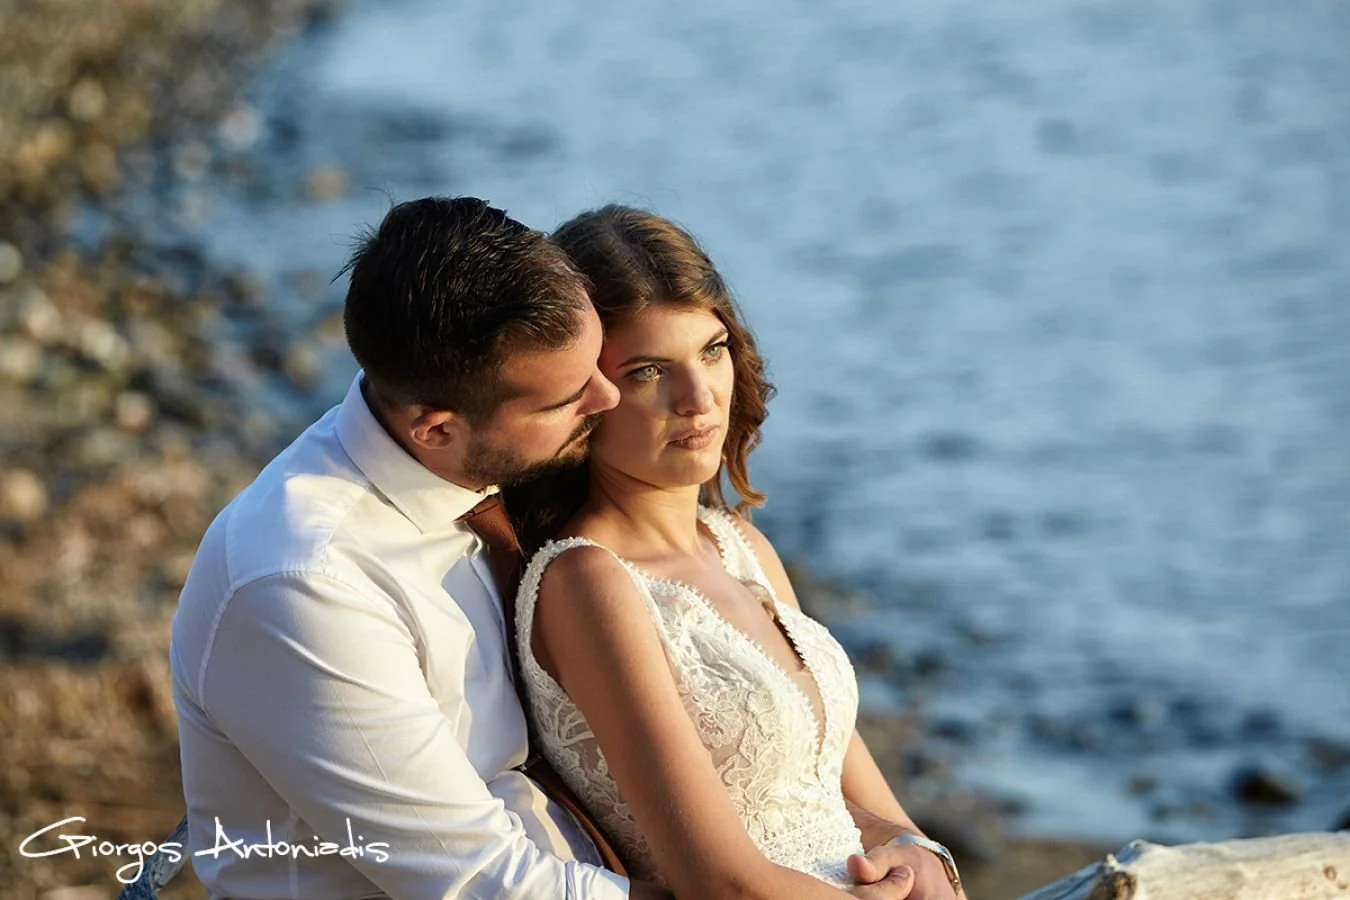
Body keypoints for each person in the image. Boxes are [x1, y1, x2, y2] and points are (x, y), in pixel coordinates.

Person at [168, 196, 918, 900]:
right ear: (437, 428)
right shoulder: (305, 581)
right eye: (571, 397)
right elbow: (479, 880)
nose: (606, 399)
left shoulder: (483, 480)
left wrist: (917, 855)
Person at [504, 206, 968, 900]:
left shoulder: (742, 546)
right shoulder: (588, 584)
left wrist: (919, 853)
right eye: (648, 370)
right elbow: (719, 883)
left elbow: (853, 801)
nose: (698, 398)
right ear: (585, 394)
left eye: (712, 350)